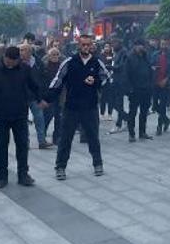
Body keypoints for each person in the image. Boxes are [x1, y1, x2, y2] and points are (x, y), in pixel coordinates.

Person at [43, 34, 109, 180]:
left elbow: (107, 79)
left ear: (92, 46)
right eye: (83, 44)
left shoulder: (97, 62)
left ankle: (98, 164)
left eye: (88, 44)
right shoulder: (69, 62)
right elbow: (58, 81)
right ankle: (60, 167)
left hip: (90, 107)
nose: (86, 47)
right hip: (71, 106)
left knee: (93, 137)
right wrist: (47, 98)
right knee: (65, 138)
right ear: (79, 45)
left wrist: (96, 81)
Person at [0, 46, 42, 188]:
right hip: (0, 116)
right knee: (1, 146)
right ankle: (2, 176)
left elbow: (34, 85)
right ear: (5, 57)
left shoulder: (24, 69)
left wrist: (41, 99)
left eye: (14, 62)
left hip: (20, 114)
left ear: (18, 60)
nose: (10, 64)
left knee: (22, 145)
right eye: (8, 61)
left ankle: (23, 174)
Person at [19, 42, 48, 149]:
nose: (21, 52)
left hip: (35, 96)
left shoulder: (37, 62)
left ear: (30, 51)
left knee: (39, 118)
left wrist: (42, 93)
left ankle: (42, 141)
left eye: (23, 50)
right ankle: (25, 142)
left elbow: (44, 77)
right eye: (20, 50)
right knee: (23, 121)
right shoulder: (17, 63)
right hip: (21, 97)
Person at [126, 40, 154, 142]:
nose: (141, 47)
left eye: (142, 45)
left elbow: (150, 71)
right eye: (139, 46)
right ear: (135, 46)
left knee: (144, 112)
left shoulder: (146, 57)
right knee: (132, 112)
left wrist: (151, 86)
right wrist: (130, 89)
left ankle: (142, 132)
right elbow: (127, 75)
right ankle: (131, 134)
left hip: (146, 89)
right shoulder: (130, 57)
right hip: (134, 90)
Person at [40, 47, 63, 147]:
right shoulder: (44, 66)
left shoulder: (62, 66)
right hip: (48, 95)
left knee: (59, 117)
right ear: (48, 56)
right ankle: (42, 136)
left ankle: (57, 137)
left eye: (57, 54)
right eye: (53, 54)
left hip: (60, 94)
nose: (55, 56)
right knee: (47, 116)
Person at [152, 38, 170, 136]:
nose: (163, 46)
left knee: (162, 106)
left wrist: (166, 80)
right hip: (155, 82)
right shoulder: (155, 54)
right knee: (155, 105)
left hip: (166, 84)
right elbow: (151, 64)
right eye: (162, 44)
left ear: (168, 45)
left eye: (165, 44)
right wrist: (153, 67)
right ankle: (166, 120)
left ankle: (159, 126)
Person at [108, 37, 129, 134]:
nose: (112, 45)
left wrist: (110, 67)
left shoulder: (124, 52)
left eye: (114, 42)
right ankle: (127, 118)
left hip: (121, 81)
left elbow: (122, 66)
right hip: (115, 80)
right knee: (113, 102)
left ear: (119, 42)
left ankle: (119, 124)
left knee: (118, 103)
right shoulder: (116, 52)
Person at [99, 42, 115, 121]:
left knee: (110, 98)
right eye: (105, 46)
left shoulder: (113, 55)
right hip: (103, 80)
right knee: (103, 98)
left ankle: (110, 114)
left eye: (108, 46)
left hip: (111, 79)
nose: (107, 48)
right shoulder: (101, 56)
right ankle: (102, 113)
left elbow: (114, 65)